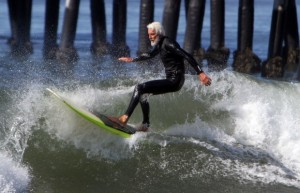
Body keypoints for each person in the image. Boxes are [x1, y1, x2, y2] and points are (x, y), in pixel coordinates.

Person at [111, 21, 211, 131]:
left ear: (160, 33)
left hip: (175, 80)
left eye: (152, 34)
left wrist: (200, 72)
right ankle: (145, 125)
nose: (150, 37)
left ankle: (124, 118)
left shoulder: (168, 43)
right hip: (172, 80)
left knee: (139, 88)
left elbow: (186, 55)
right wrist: (133, 59)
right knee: (143, 94)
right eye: (149, 35)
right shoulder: (160, 43)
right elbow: (150, 55)